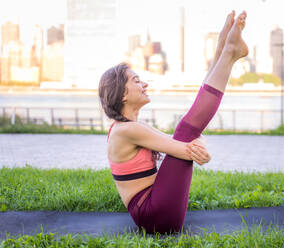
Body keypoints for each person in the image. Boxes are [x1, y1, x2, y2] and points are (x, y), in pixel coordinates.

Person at [98, 10, 248, 234]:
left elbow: (180, 145)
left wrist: (196, 147)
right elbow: (185, 148)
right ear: (122, 95)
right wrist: (198, 149)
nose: (144, 84)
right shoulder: (126, 131)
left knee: (185, 131)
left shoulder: (130, 128)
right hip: (155, 217)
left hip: (156, 211)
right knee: (186, 129)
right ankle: (227, 54)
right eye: (136, 81)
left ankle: (224, 51)